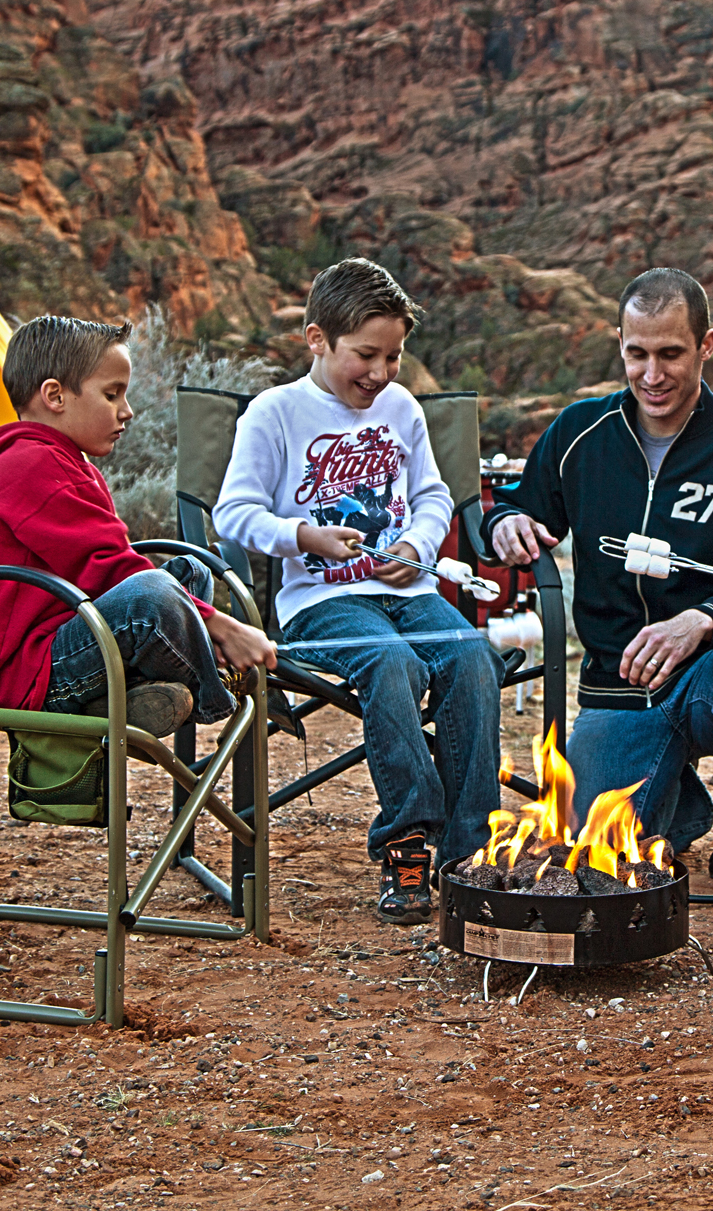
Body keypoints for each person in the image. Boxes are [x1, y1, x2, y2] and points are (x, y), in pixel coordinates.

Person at [486, 268, 713, 880]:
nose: (653, 375)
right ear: (619, 342)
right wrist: (505, 522)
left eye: (671, 354)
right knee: (589, 849)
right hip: (618, 683)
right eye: (637, 354)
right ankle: (678, 808)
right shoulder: (580, 434)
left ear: (706, 346)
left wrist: (700, 622)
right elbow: (520, 506)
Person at [214, 258, 504, 925]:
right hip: (320, 603)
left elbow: (433, 496)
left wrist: (417, 547)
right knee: (392, 663)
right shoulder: (275, 413)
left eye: (393, 355)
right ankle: (406, 838)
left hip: (405, 591)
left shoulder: (400, 408)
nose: (379, 372)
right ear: (318, 340)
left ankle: (470, 852)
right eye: (364, 354)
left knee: (471, 658)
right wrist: (302, 536)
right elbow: (234, 514)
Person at [0, 316, 276, 739]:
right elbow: (106, 566)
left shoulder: (63, 460)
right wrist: (220, 624)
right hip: (25, 676)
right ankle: (222, 689)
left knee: (188, 572)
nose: (127, 411)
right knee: (152, 595)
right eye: (111, 394)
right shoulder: (29, 465)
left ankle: (144, 688)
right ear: (55, 396)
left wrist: (197, 617)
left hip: (62, 638)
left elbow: (105, 567)